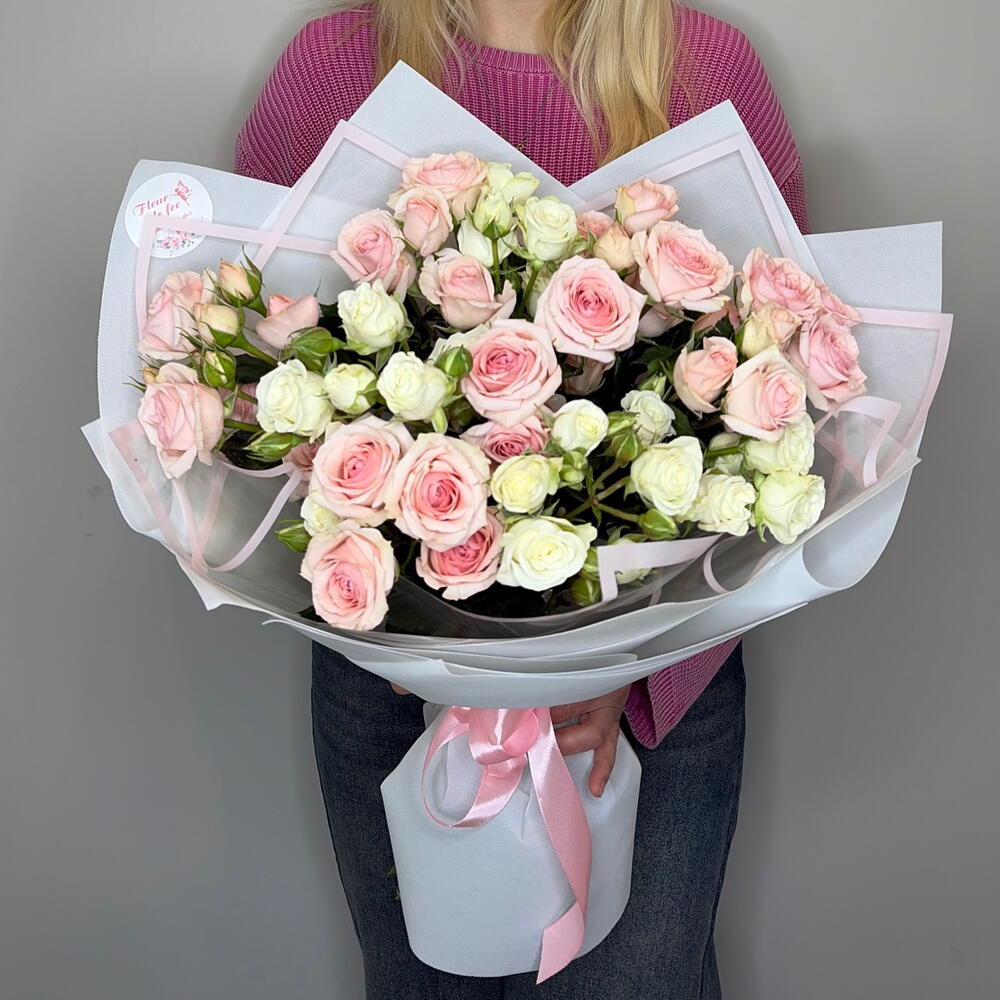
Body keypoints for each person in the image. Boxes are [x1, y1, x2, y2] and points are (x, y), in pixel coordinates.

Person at [235, 3, 809, 996]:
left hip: (652, 698)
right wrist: (411, 638)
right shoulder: (331, 69)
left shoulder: (704, 70)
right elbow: (254, 389)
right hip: (391, 689)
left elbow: (792, 405)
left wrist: (621, 669)